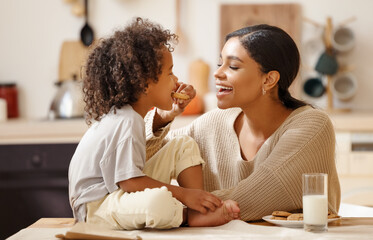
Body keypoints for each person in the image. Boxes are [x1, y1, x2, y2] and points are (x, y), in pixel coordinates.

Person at [145, 24, 341, 221]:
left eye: (233, 66)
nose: (217, 73)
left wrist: (171, 210)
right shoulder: (213, 123)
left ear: (269, 80)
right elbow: (133, 166)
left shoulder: (312, 126)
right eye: (219, 63)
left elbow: (253, 198)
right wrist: (162, 118)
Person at [68, 17, 240, 230]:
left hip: (117, 193)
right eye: (169, 73)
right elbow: (130, 183)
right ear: (144, 84)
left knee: (182, 145)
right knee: (158, 203)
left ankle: (197, 213)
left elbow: (132, 178)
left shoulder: (130, 117)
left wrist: (172, 111)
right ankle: (187, 214)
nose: (176, 80)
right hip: (97, 207)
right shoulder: (127, 121)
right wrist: (185, 195)